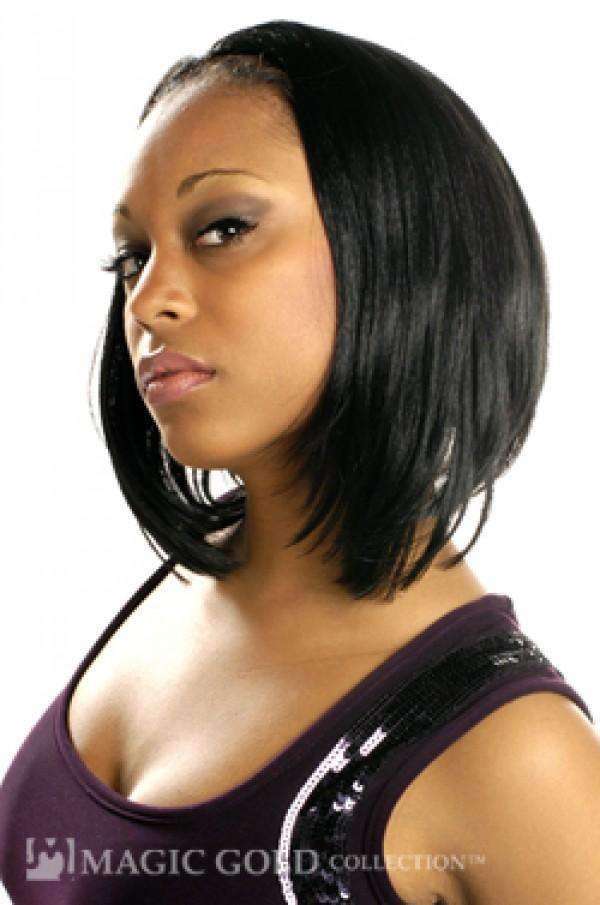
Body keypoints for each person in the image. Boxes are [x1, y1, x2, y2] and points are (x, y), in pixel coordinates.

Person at [1, 19, 599, 905]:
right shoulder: (185, 588)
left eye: (223, 227)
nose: (149, 300)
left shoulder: (521, 758)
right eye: (134, 254)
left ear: (398, 250)